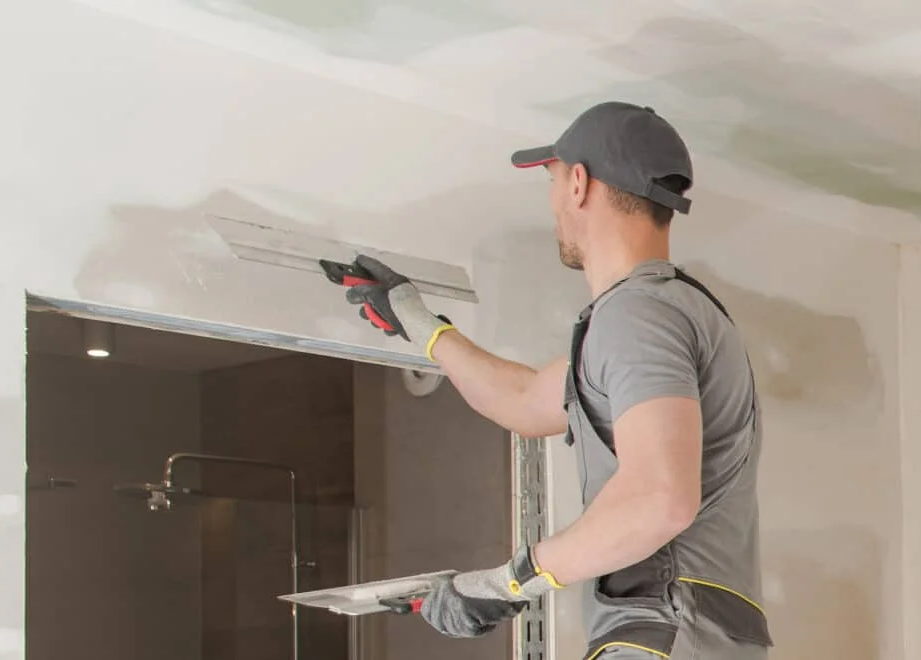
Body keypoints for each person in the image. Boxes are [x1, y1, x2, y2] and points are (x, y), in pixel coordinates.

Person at [330, 101, 774, 659]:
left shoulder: (639, 317)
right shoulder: (661, 314)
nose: (552, 200)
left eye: (552, 178)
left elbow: (661, 499)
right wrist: (421, 326)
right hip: (684, 633)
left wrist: (510, 582)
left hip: (665, 631)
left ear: (579, 184)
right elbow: (524, 399)